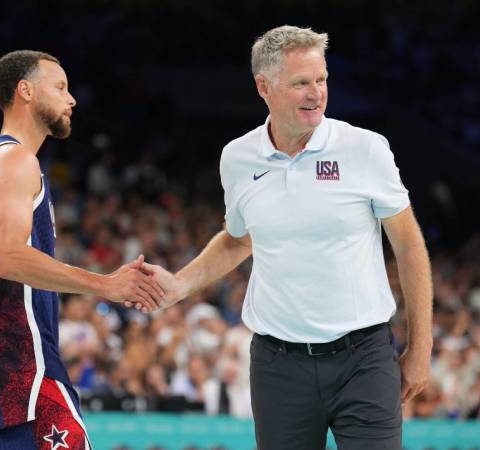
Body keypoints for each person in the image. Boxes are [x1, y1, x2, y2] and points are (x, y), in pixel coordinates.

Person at [141, 26, 433, 450]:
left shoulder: (365, 149)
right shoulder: (237, 157)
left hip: (364, 360)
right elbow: (238, 239)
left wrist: (421, 347)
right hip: (279, 367)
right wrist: (180, 284)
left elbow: (408, 244)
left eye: (321, 79)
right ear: (264, 87)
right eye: (300, 83)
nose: (316, 93)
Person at [0, 50, 163, 450]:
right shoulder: (13, 159)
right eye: (61, 87)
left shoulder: (2, 160)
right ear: (26, 91)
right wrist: (106, 285)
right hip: (20, 372)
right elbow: (10, 257)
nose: (72, 100)